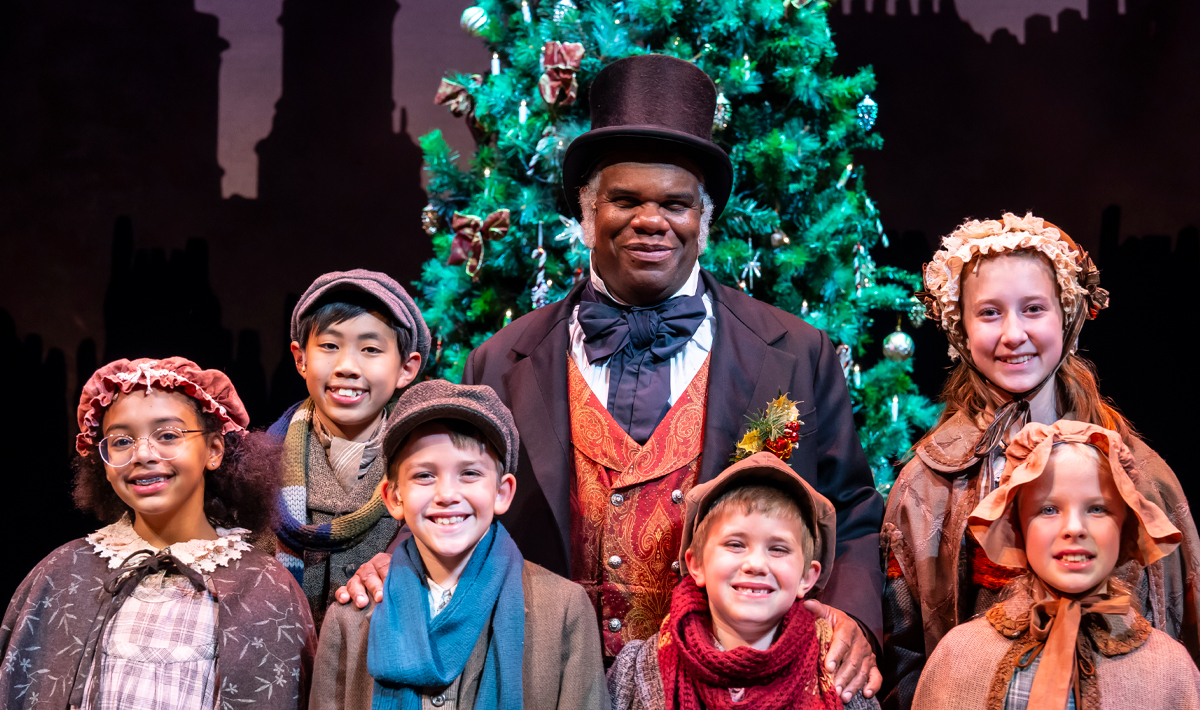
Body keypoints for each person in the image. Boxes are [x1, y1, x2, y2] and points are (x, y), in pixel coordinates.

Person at [343, 53, 883, 702]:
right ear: (587, 213)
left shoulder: (792, 355)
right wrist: (398, 566)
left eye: (676, 203)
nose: (651, 220)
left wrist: (854, 618)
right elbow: (456, 493)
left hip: (718, 687)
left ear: (705, 219)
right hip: (539, 680)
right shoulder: (501, 362)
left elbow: (851, 508)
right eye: (625, 199)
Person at [880, 213, 1200, 708]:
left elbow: (1184, 633)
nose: (1013, 333)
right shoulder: (928, 483)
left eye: (1033, 309)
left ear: (1067, 316)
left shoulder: (1135, 470)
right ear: (961, 330)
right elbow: (905, 652)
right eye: (989, 313)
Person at [0, 357, 316, 709]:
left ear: (213, 450)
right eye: (121, 441)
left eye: (167, 435)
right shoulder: (61, 573)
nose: (142, 454)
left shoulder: (264, 585)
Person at [312, 379, 608, 709]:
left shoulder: (564, 610)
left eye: (469, 473)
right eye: (424, 475)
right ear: (394, 497)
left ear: (502, 492)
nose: (447, 495)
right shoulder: (349, 618)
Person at [914, 421, 1200, 709]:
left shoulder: (1168, 669)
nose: (1074, 528)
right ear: (1017, 526)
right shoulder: (962, 654)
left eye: (1097, 509)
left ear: (1125, 526)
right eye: (1048, 509)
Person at [609, 451, 879, 710]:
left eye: (778, 549)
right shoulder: (637, 668)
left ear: (806, 577)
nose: (756, 564)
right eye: (735, 544)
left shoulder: (838, 668)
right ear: (697, 565)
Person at [268, 269, 427, 625]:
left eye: (371, 349)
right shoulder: (260, 464)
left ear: (406, 367)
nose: (347, 367)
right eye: (329, 346)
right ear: (300, 358)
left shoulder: (427, 472)